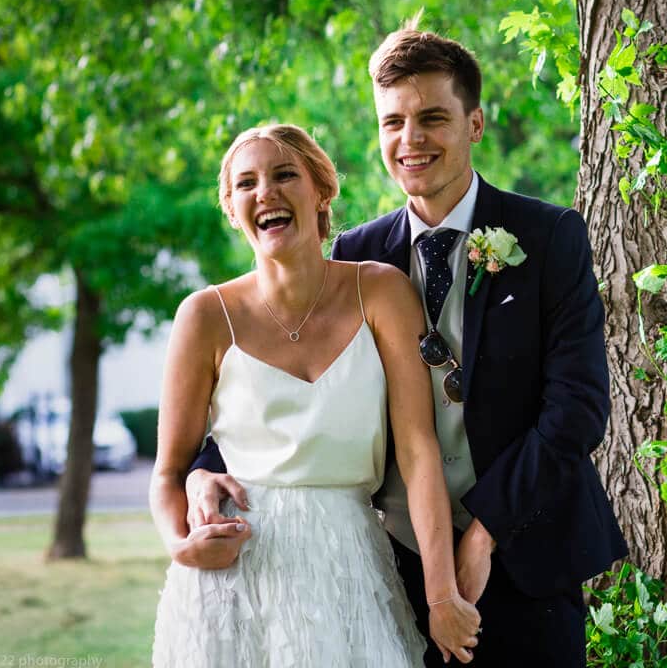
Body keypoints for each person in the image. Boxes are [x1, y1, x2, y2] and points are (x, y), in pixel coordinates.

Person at [190, 24, 628, 666]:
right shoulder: (357, 253)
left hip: (528, 553)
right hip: (392, 566)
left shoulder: (549, 235)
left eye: (432, 118)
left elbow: (578, 410)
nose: (411, 139)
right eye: (393, 122)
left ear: (474, 124)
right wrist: (206, 465)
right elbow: (290, 375)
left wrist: (484, 534)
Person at [149, 123, 481, 667]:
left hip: (352, 568)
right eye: (246, 184)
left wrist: (440, 593)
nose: (266, 194)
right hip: (234, 577)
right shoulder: (204, 316)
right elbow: (169, 471)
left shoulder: (379, 290)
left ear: (321, 190)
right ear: (232, 209)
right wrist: (179, 543)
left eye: (285, 175)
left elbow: (418, 452)